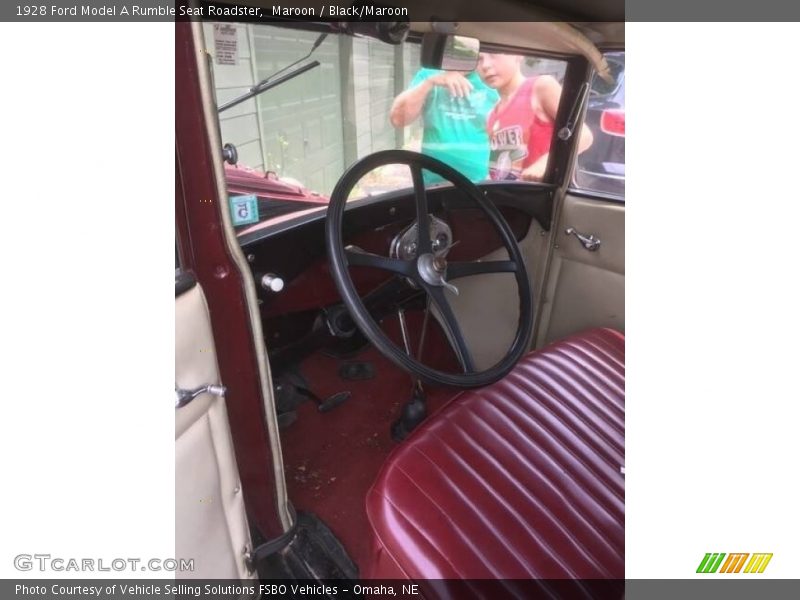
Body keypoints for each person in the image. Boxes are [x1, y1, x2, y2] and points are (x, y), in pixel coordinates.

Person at [477, 53, 593, 181]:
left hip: (540, 190)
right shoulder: (491, 115)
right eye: (479, 59)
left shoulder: (540, 87)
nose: (485, 65)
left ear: (518, 55)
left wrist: (544, 165)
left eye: (493, 55)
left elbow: (584, 135)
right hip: (505, 191)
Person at [389, 68, 499, 184]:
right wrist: (429, 83)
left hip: (479, 184)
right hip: (433, 183)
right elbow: (398, 119)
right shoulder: (429, 74)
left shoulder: (490, 77)